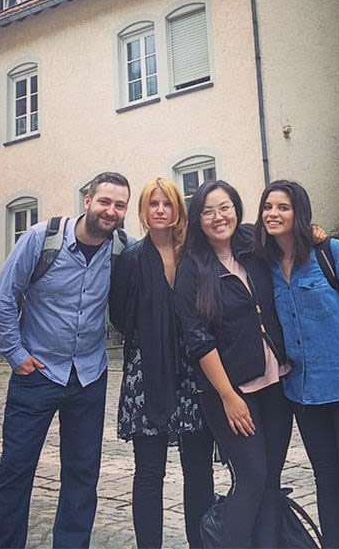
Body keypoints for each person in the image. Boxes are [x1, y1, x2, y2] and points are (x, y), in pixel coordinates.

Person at [0, 172, 131, 549]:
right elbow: (5, 295)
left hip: (89, 377)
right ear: (87, 200)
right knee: (15, 470)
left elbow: (168, 254)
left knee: (82, 476)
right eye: (105, 202)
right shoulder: (41, 239)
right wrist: (16, 355)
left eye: (119, 205)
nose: (111, 211)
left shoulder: (123, 249)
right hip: (38, 374)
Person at [254, 180, 339, 549]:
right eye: (268, 207)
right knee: (325, 482)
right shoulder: (264, 264)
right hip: (303, 393)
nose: (273, 214)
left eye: (283, 207)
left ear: (299, 212)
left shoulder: (330, 252)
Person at [174, 179, 293, 549]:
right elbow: (197, 338)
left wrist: (317, 234)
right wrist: (228, 396)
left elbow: (293, 237)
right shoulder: (192, 268)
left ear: (237, 209)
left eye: (224, 207)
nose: (218, 216)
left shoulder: (252, 246)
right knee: (252, 477)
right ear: (198, 219)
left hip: (276, 383)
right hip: (230, 392)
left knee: (271, 478)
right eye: (208, 211)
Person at [109, 177, 215, 549]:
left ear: (177, 211)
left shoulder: (195, 255)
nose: (159, 210)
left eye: (167, 204)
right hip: (147, 373)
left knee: (199, 472)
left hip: (194, 370)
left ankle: (200, 543)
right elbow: (120, 314)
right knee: (149, 472)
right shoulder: (131, 259)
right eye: (153, 204)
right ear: (143, 211)